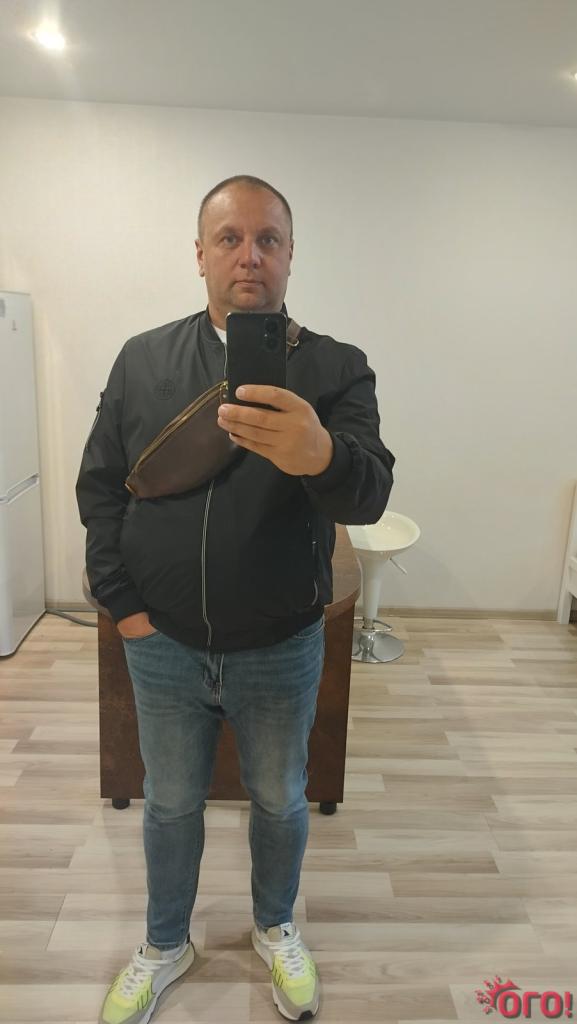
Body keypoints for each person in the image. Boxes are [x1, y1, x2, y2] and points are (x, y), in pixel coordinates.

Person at [76, 174, 395, 1024]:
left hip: (280, 645)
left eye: (268, 239)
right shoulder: (144, 359)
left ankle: (273, 925)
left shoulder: (334, 367)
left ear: (290, 256)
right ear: (200, 255)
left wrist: (321, 453)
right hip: (163, 643)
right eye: (229, 238)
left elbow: (367, 495)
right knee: (169, 802)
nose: (249, 255)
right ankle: (165, 942)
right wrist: (124, 608)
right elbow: (101, 486)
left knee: (282, 799)